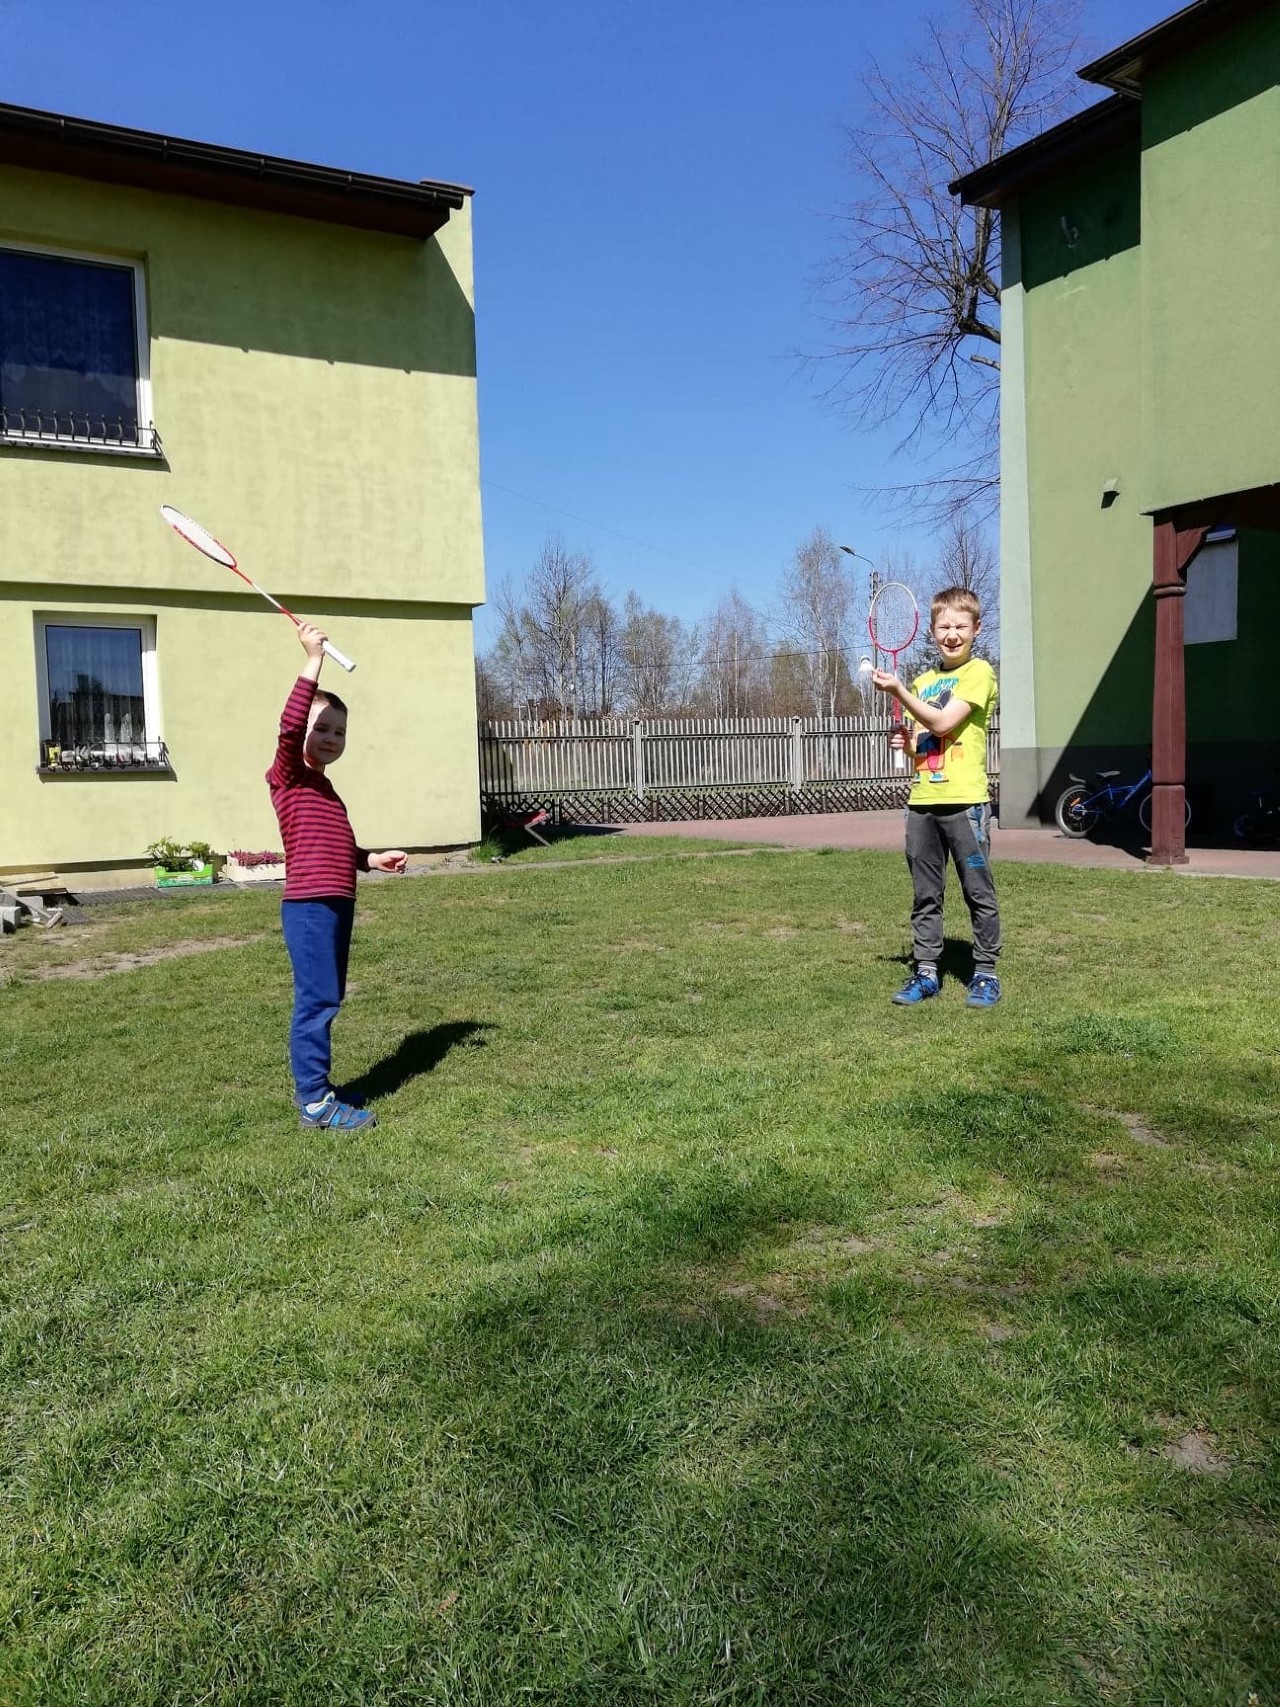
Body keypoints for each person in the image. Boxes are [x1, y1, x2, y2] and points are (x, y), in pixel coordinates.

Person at [268, 623, 407, 1129]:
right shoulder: (287, 776)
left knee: (329, 996)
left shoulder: (325, 791)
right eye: (321, 728)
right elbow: (289, 728)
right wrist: (313, 660)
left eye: (339, 731)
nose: (330, 738)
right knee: (317, 1001)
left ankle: (318, 1088)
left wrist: (369, 859)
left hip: (336, 901)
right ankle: (314, 1102)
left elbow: (334, 846)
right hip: (309, 907)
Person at [871, 586, 1002, 1009]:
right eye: (944, 626)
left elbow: (944, 723)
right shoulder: (923, 683)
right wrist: (905, 744)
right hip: (922, 805)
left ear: (976, 628)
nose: (952, 634)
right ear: (931, 631)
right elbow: (925, 746)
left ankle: (985, 974)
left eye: (961, 626)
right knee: (925, 895)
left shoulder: (979, 672)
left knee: (978, 891)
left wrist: (898, 693)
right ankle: (926, 973)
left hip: (965, 805)